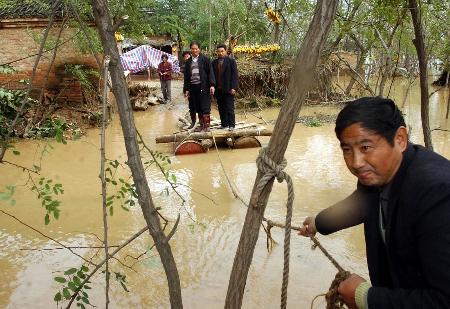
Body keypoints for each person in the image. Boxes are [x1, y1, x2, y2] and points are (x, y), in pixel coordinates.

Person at [299, 97, 450, 308]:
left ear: (400, 139)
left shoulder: (438, 193)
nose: (356, 163)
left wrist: (366, 298)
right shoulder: (380, 175)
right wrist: (318, 222)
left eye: (366, 147)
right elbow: (360, 204)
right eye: (347, 150)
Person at [183, 41, 215, 132]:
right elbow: (186, 77)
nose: (194, 50)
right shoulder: (188, 62)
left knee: (205, 106)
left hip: (204, 86)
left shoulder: (205, 59)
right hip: (193, 87)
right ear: (190, 50)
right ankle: (201, 125)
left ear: (199, 49)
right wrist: (186, 89)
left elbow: (210, 73)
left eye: (196, 48)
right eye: (193, 49)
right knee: (197, 106)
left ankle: (207, 127)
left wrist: (212, 85)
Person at [212, 44, 238, 130]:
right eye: (218, 51)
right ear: (217, 52)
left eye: (222, 51)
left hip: (228, 89)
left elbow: (235, 75)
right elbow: (212, 76)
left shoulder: (231, 61)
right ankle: (224, 124)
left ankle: (231, 125)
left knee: (229, 107)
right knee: (221, 107)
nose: (220, 53)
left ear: (226, 51)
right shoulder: (214, 63)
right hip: (218, 89)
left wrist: (234, 87)